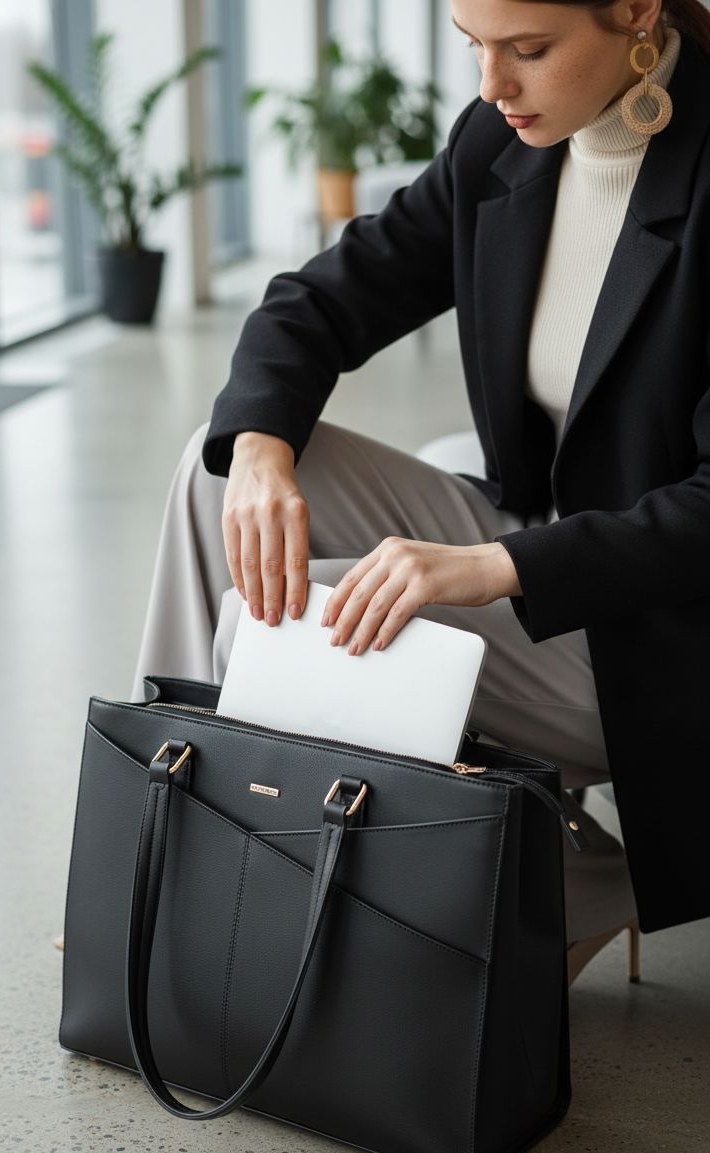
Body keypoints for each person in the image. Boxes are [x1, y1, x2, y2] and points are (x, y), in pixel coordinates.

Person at [126, 0, 710, 975]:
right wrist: (265, 451)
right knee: (219, 460)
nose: (491, 86)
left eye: (528, 50)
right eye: (473, 47)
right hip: (539, 534)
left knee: (275, 626)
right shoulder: (502, 141)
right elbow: (318, 299)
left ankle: (592, 883)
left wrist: (492, 564)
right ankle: (178, 849)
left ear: (639, 15)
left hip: (664, 630)